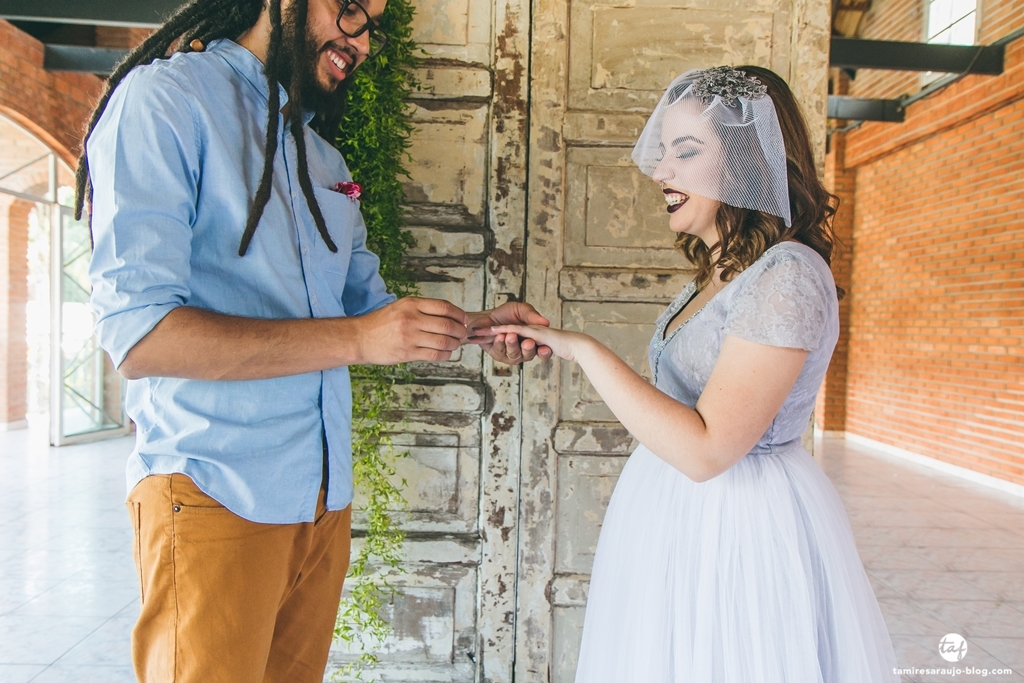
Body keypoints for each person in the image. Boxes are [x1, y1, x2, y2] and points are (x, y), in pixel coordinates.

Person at [81, 0, 548, 681]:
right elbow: (142, 334)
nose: (362, 39)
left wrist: (478, 329)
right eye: (351, 6)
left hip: (320, 507)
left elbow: (367, 312)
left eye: (376, 24)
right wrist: (362, 337)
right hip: (216, 492)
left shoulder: (322, 156)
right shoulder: (164, 103)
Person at [493, 66, 900, 682]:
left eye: (686, 151)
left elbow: (709, 449)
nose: (661, 172)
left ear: (746, 158)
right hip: (678, 517)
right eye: (665, 151)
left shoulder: (787, 272)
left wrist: (579, 346)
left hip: (740, 525)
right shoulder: (723, 269)